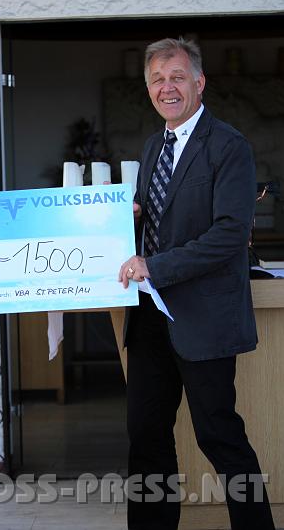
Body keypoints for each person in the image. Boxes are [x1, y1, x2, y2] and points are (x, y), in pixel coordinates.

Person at [118, 38, 275, 530]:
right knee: (146, 436)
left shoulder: (229, 146)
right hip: (149, 317)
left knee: (219, 435)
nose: (168, 87)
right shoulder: (152, 146)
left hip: (201, 317)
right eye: (158, 80)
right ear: (149, 89)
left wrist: (156, 267)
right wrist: (126, 218)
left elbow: (229, 234)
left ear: (199, 83)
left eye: (177, 77)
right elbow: (156, 220)